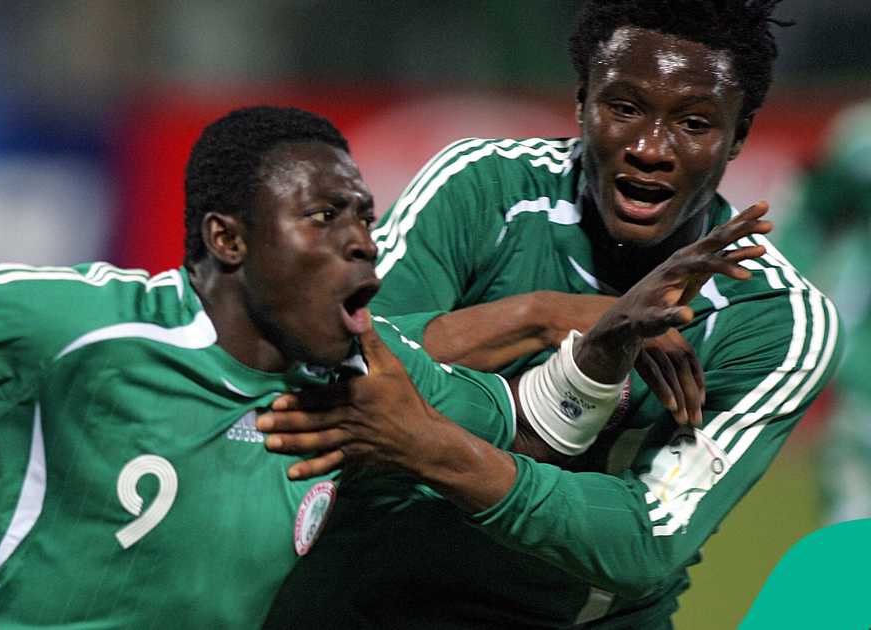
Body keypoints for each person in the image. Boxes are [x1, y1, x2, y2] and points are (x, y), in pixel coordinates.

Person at [0, 105, 754, 627]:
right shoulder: (85, 333)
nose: (365, 242)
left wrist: (592, 344)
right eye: (326, 217)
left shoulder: (363, 390)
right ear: (228, 239)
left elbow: (524, 427)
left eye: (364, 214)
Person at [261, 1, 841, 628]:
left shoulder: (775, 319)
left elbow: (650, 539)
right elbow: (335, 356)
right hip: (362, 604)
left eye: (694, 123)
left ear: (740, 135)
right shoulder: (483, 188)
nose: (650, 148)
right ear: (581, 103)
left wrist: (428, 447)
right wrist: (545, 316)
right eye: (623, 108)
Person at [780, 101, 871, 524]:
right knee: (853, 527)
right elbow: (806, 219)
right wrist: (781, 299)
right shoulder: (860, 141)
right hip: (866, 381)